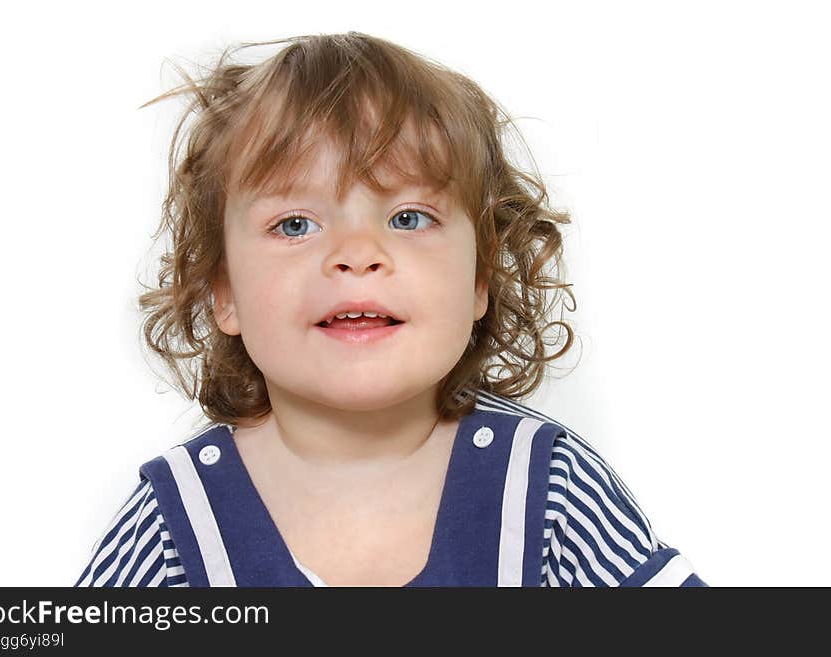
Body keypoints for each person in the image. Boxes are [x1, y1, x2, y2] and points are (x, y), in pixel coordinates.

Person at [75, 31, 708, 587]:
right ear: (224, 294)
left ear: (480, 279)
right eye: (295, 224)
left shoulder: (545, 488)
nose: (357, 253)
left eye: (408, 218)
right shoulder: (178, 521)